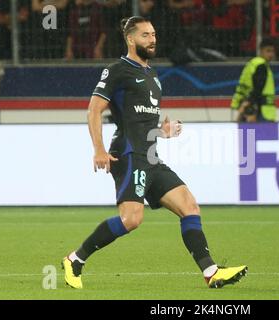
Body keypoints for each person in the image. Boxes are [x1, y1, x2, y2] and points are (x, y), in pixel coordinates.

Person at [62, 16, 247, 289]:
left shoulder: (153, 76)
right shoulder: (117, 70)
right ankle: (75, 259)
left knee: (189, 205)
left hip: (150, 156)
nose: (153, 39)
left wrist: (163, 131)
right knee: (132, 219)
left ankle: (211, 272)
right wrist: (98, 149)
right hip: (127, 155)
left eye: (154, 33)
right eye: (146, 35)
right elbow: (94, 110)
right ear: (131, 39)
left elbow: (140, 122)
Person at [231, 37, 276, 122]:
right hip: (261, 112)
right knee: (265, 135)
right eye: (268, 51)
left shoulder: (252, 64)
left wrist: (244, 106)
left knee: (248, 134)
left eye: (273, 51)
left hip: (250, 108)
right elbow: (258, 89)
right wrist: (248, 104)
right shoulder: (261, 66)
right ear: (261, 51)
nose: (271, 55)